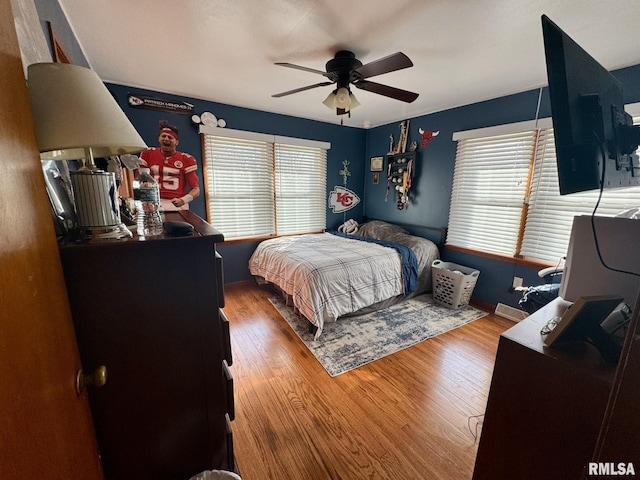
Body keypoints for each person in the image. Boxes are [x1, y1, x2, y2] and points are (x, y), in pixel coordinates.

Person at [139, 120, 200, 211]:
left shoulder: (186, 159)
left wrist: (183, 200)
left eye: (170, 137)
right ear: (159, 138)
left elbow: (196, 189)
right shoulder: (148, 154)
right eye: (163, 136)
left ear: (176, 142)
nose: (166, 139)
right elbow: (140, 180)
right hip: (152, 201)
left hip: (176, 204)